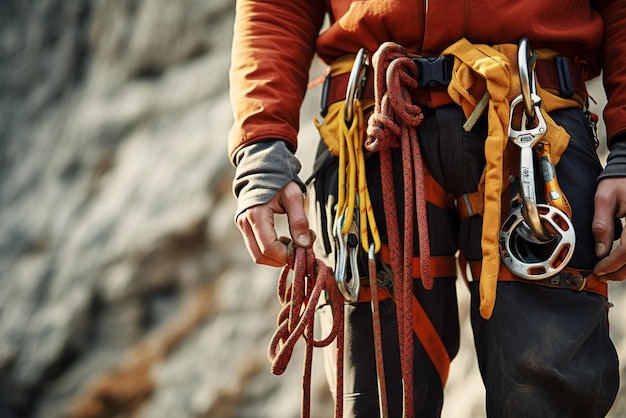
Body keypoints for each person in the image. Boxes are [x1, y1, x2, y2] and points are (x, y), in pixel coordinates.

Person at [228, 1, 626, 417]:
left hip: (531, 119)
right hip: (373, 134)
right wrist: (261, 145)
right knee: (377, 401)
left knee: (549, 397)